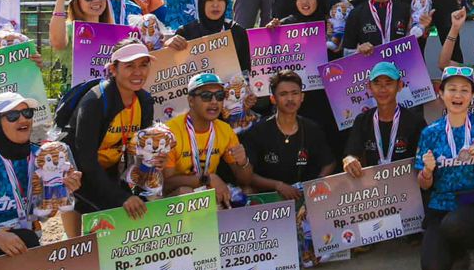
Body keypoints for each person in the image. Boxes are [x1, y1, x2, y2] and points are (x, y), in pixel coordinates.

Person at [0, 93, 82, 264]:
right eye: (13, 116)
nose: (23, 120)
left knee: (29, 239)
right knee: (27, 240)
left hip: (25, 242)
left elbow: (41, 216)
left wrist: (62, 191)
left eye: (27, 113)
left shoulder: (43, 157)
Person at [415, 66, 474, 270]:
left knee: (454, 224)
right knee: (433, 269)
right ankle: (457, 244)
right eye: (452, 89)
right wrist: (427, 172)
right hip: (441, 206)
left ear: (473, 95)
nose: (457, 95)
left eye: (464, 90)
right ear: (441, 93)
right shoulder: (430, 133)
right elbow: (423, 184)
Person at [66, 41, 157, 242]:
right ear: (113, 69)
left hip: (109, 168)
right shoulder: (95, 102)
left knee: (143, 209)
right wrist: (121, 198)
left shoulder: (145, 101)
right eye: (129, 66)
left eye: (143, 64)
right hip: (79, 173)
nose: (138, 72)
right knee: (110, 217)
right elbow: (86, 161)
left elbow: (139, 150)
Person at [240, 70, 336, 199]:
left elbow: (329, 163)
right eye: (283, 94)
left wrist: (318, 182)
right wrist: (278, 186)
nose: (290, 99)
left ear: (302, 97)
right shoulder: (258, 131)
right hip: (270, 196)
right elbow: (247, 176)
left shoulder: (312, 128)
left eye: (295, 93)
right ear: (273, 99)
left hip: (305, 195)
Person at [163, 73, 253, 207]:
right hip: (174, 197)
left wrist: (243, 162)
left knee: (247, 192)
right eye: (206, 96)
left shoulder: (224, 130)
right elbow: (166, 184)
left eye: (219, 96)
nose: (214, 101)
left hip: (205, 190)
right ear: (191, 101)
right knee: (187, 193)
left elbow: (245, 180)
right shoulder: (170, 132)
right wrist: (207, 179)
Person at [343, 63, 427, 171]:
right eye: (377, 83)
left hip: (407, 184)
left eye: (388, 83)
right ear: (369, 87)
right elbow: (351, 153)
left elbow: (425, 155)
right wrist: (350, 160)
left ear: (400, 85)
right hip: (374, 185)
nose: (382, 89)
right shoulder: (362, 120)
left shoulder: (415, 121)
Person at [175, 0, 252, 79]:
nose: (215, 5)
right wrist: (169, 46)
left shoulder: (236, 31)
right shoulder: (185, 33)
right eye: (210, 0)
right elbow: (174, 70)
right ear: (201, 2)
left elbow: (246, 70)